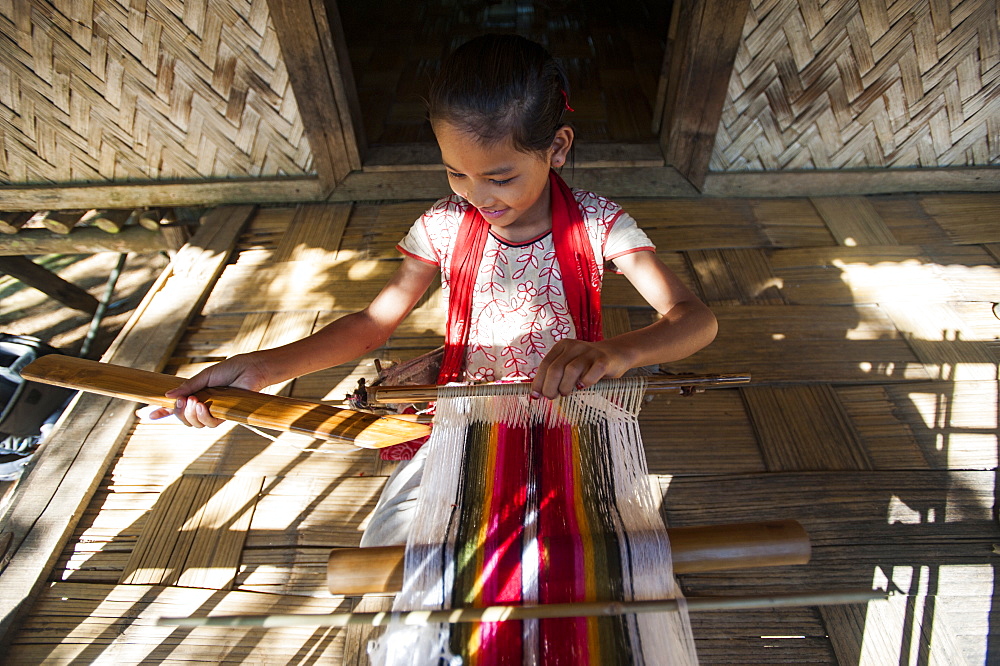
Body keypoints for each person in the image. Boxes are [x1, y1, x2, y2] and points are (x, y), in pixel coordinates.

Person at [149, 34, 717, 545]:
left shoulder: (597, 224)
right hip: (462, 417)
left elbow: (693, 318)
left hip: (567, 414)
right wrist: (261, 369)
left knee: (589, 556)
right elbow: (373, 324)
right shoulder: (443, 227)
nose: (478, 196)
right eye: (455, 173)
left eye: (499, 177)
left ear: (558, 147)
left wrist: (619, 351)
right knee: (399, 551)